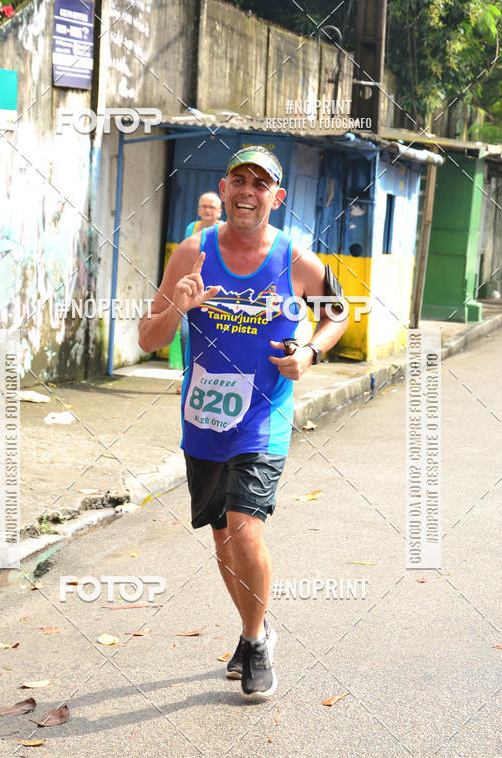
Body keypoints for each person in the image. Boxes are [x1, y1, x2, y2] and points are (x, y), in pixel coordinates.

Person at [139, 145, 348, 700]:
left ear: (276, 198)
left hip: (264, 417)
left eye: (260, 184)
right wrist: (178, 309)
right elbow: (147, 337)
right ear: (226, 190)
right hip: (203, 421)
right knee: (223, 538)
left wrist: (310, 354)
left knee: (245, 525)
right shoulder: (192, 252)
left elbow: (337, 312)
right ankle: (251, 628)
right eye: (239, 180)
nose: (247, 191)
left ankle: (255, 641)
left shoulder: (296, 261)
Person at [178, 192, 224, 384]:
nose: (207, 210)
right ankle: (187, 376)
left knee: (214, 335)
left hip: (216, 293)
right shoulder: (192, 228)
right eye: (204, 206)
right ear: (198, 209)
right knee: (185, 334)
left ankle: (211, 378)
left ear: (220, 212)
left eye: (212, 207)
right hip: (191, 290)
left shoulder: (225, 231)